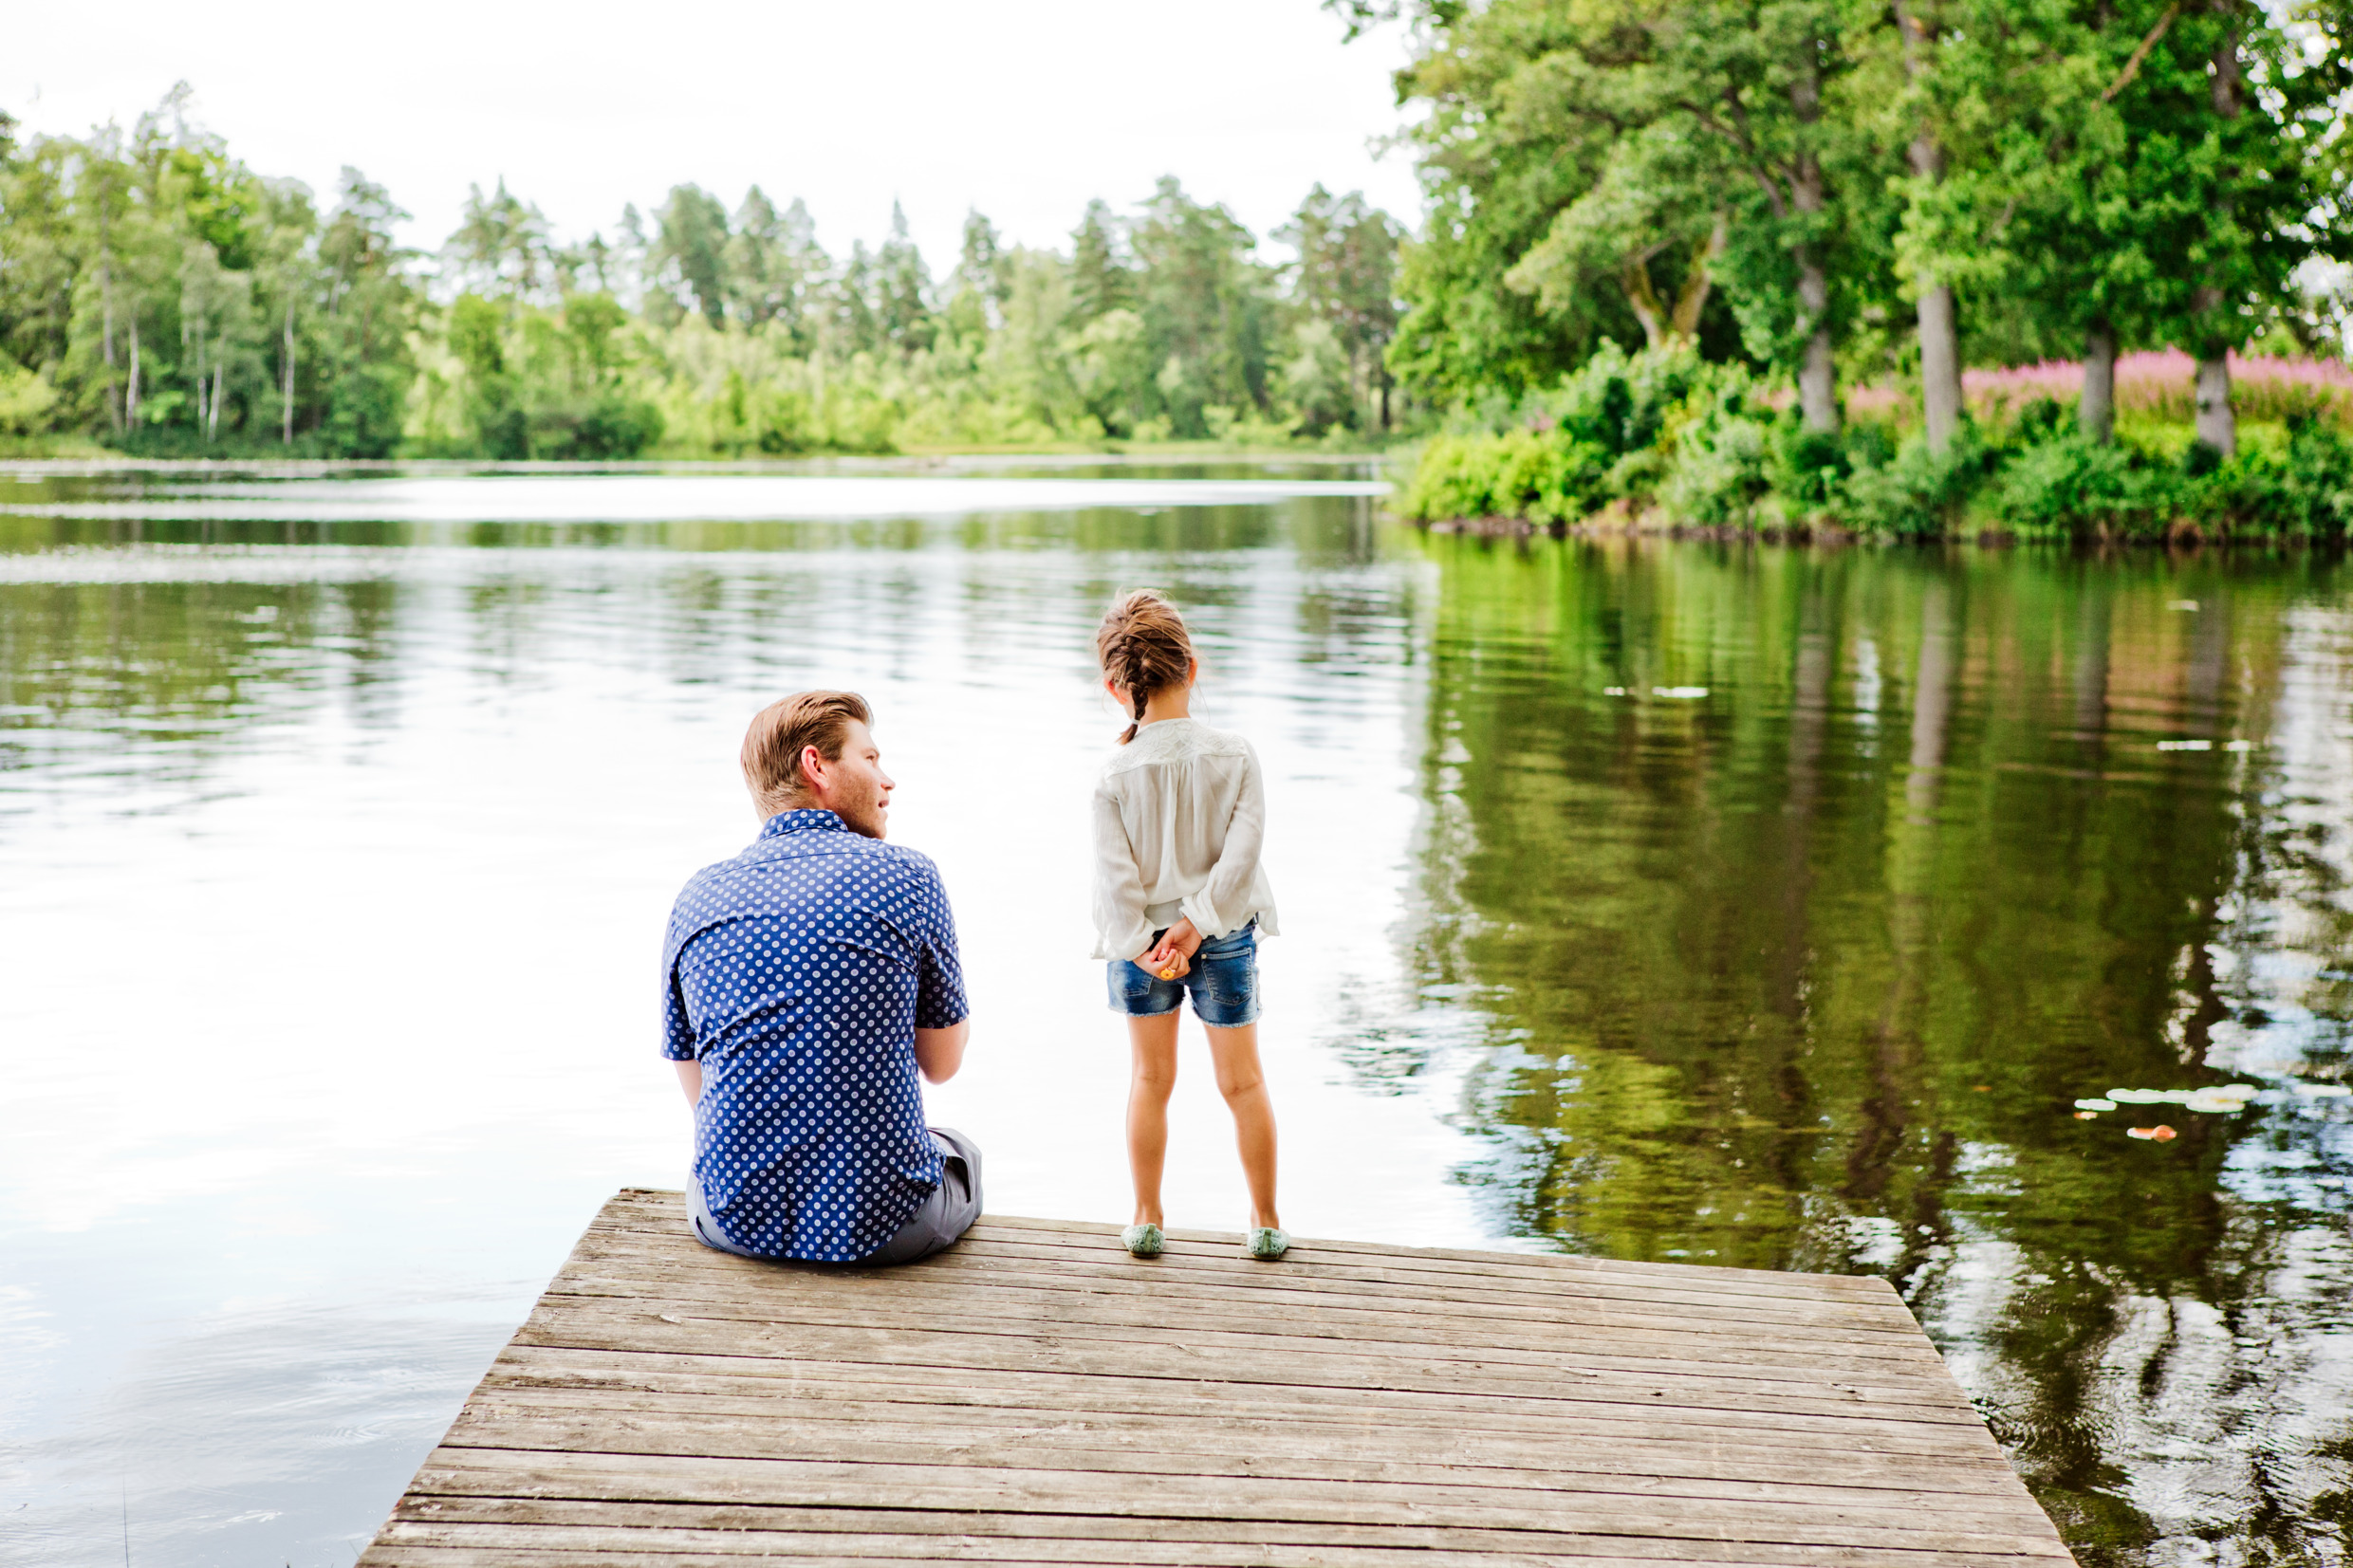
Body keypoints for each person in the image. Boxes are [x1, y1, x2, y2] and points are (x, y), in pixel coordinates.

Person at [659, 690, 979, 1266]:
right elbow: (942, 1064)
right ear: (817, 766)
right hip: (885, 1226)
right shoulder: (909, 875)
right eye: (872, 758)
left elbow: (701, 1093)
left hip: (731, 1219)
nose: (888, 780)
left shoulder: (697, 894)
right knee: (961, 1153)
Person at [1091, 590, 1287, 1262]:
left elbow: (1114, 883)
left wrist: (1145, 943)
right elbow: (1244, 854)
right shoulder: (1235, 754)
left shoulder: (1113, 774)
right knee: (1244, 1082)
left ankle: (1147, 1217)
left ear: (1115, 687)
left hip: (1143, 948)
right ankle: (1264, 1220)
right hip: (1224, 936)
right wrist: (1199, 927)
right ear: (1192, 668)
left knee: (1150, 1079)